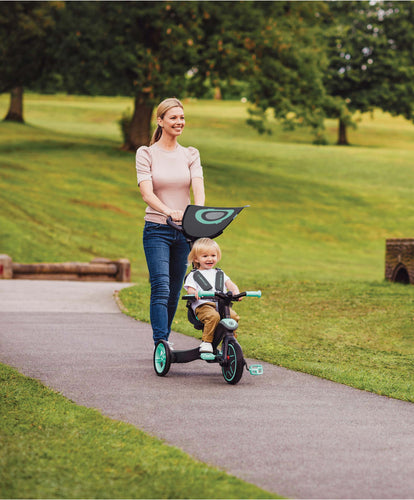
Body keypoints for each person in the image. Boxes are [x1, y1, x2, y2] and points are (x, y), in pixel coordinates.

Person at [136, 97, 205, 346]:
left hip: (184, 231)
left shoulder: (190, 154)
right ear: (160, 121)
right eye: (173, 117)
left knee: (175, 289)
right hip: (157, 229)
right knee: (161, 287)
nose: (179, 122)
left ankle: (163, 340)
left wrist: (197, 215)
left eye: (182, 118)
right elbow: (147, 193)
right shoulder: (146, 154)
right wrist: (169, 211)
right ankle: (160, 343)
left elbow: (198, 186)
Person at [184, 238, 241, 353]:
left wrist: (236, 291)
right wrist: (194, 293)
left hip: (220, 306)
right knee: (213, 317)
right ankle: (206, 342)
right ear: (196, 258)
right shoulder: (194, 275)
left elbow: (230, 284)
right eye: (205, 256)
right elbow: (190, 290)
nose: (210, 259)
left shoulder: (219, 273)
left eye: (213, 255)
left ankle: (230, 340)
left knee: (233, 317)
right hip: (203, 306)